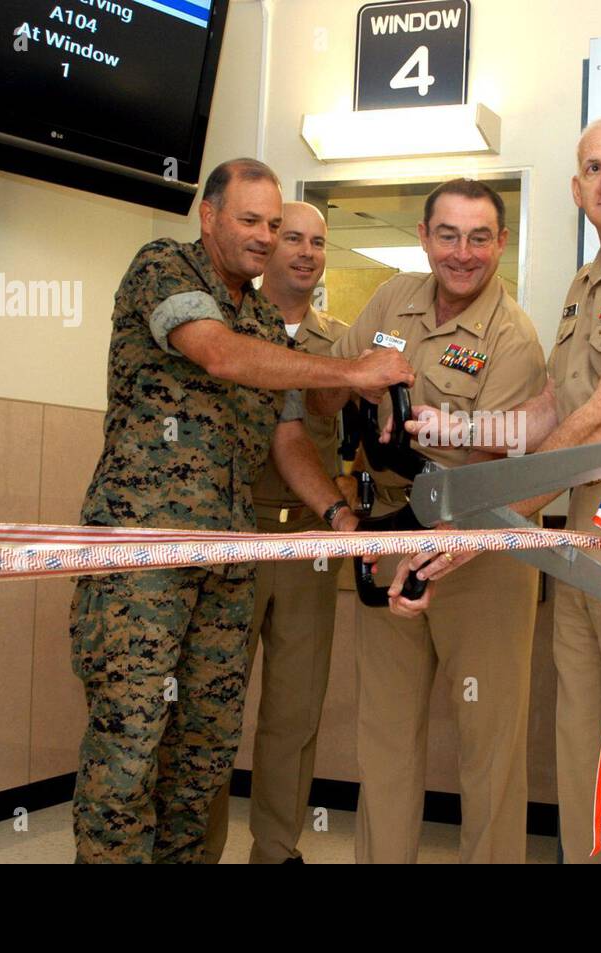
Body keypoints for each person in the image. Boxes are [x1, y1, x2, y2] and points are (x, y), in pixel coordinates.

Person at [401, 116, 601, 864]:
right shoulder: (588, 285)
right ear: (577, 188)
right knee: (586, 729)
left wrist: (491, 522)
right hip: (585, 514)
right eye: (593, 167)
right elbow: (554, 407)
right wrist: (453, 429)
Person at [71, 158, 412, 863]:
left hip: (227, 562)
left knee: (202, 753)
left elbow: (288, 435)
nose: (264, 236)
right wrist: (352, 372)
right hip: (144, 560)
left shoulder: (262, 317)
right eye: (249, 221)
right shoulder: (165, 269)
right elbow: (219, 355)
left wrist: (340, 515)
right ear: (210, 216)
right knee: (131, 745)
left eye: (273, 223)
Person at [320, 178, 547, 863]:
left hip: (476, 541)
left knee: (489, 746)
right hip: (391, 529)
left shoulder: (515, 336)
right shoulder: (392, 299)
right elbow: (336, 381)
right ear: (424, 236)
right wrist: (362, 394)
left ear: (501, 244)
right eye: (447, 234)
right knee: (385, 737)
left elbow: (498, 454)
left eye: (480, 237)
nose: (463, 252)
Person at [203, 202, 355, 864]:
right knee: (210, 707)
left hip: (307, 545)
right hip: (231, 535)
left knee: (294, 711)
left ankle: (275, 847)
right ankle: (197, 848)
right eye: (292, 236)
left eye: (318, 241)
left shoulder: (343, 344)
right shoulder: (227, 323)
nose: (305, 251)